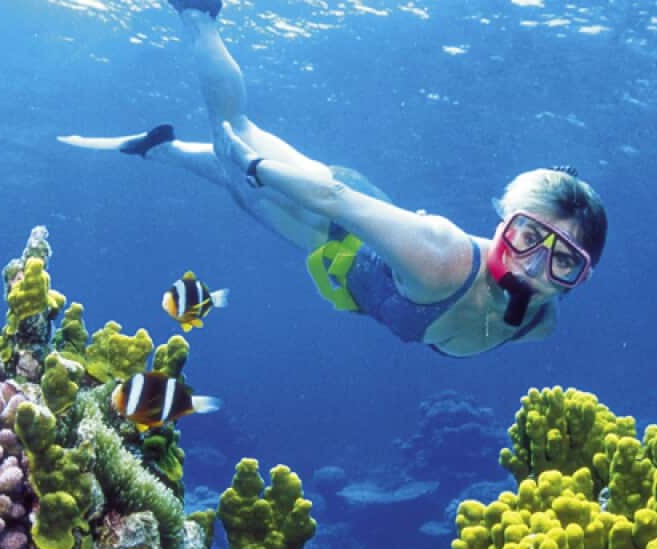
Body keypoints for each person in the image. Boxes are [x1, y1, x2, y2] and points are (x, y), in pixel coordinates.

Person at [59, 0, 608, 358]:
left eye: (564, 261)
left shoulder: (540, 320)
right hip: (327, 222)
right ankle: (197, 14)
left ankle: (158, 148)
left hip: (350, 243)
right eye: (529, 237)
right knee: (237, 134)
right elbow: (336, 199)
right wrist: (255, 166)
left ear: (581, 280)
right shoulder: (439, 256)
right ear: (504, 222)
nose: (534, 267)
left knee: (235, 186)